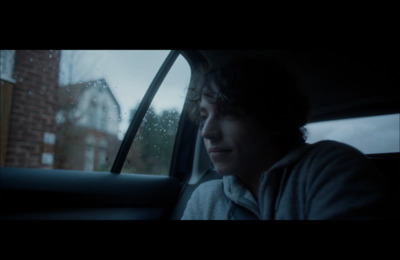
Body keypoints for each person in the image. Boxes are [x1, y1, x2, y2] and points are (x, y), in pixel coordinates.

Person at [181, 54, 396, 220]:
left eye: (228, 113)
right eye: (203, 118)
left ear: (272, 116)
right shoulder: (204, 199)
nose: (207, 132)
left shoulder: (333, 170)